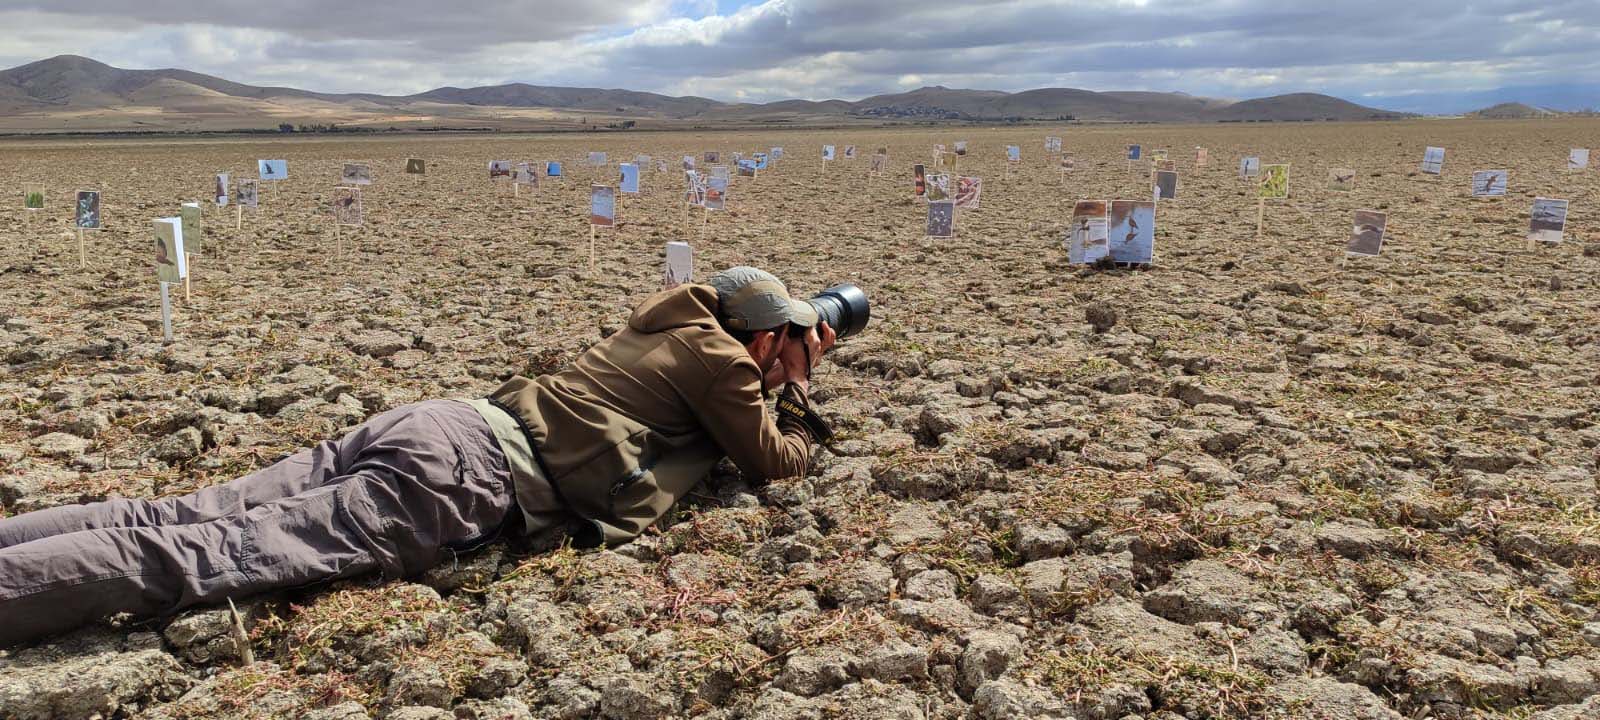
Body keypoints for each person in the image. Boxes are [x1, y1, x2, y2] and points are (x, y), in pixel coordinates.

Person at [0, 267, 837, 648]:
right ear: (764, 335)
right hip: (466, 482)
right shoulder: (729, 363)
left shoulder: (665, 326)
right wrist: (795, 392)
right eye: (793, 335)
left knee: (184, 514)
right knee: (201, 553)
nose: (802, 343)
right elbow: (769, 461)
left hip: (440, 425)